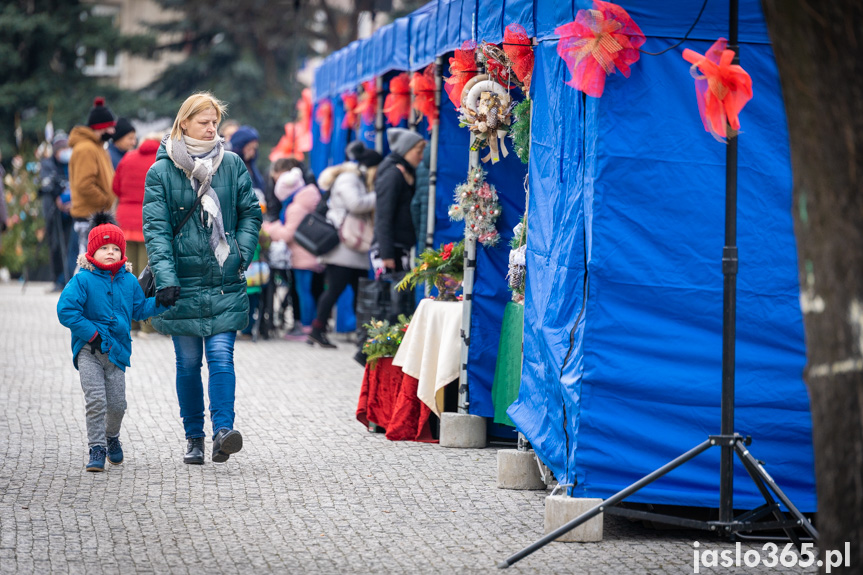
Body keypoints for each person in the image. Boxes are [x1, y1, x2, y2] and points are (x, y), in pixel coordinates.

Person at [142, 92, 262, 465]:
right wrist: (165, 278)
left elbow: (250, 215)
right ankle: (194, 436)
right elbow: (156, 230)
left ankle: (223, 432)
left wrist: (239, 254)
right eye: (204, 122)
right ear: (183, 124)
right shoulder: (161, 171)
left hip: (224, 278)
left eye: (215, 122)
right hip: (182, 282)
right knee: (188, 363)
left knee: (222, 357)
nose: (212, 129)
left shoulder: (232, 164)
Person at [57, 213, 169, 471]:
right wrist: (92, 335)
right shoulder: (82, 280)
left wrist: (160, 302)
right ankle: (96, 448)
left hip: (117, 354)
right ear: (92, 252)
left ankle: (112, 437)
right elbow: (66, 310)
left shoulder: (128, 281)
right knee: (96, 399)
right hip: (89, 351)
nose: (110, 252)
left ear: (123, 253)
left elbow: (138, 310)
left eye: (115, 248)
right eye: (104, 248)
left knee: (118, 405)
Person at [308, 141, 382, 349]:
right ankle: (317, 330)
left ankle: (363, 335)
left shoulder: (353, 177)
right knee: (335, 290)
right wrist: (380, 195)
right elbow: (356, 204)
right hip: (343, 247)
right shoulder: (349, 179)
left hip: (350, 248)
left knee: (356, 293)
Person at [262, 164, 325, 339]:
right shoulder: (308, 199)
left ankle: (306, 327)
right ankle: (309, 325)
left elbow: (288, 234)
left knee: (303, 291)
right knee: (309, 290)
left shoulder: (295, 207)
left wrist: (269, 228)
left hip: (302, 257)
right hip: (310, 254)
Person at [113, 132, 161, 332]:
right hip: (149, 217)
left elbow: (115, 187)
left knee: (126, 272)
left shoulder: (128, 157)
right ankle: (147, 325)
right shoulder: (160, 159)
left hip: (125, 218)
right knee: (148, 272)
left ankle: (128, 322)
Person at [69, 97, 117, 260]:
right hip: (89, 216)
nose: (113, 131)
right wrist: (104, 202)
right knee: (86, 262)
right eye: (110, 127)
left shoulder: (96, 147)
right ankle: (79, 287)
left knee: (92, 262)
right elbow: (84, 184)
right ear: (101, 127)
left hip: (95, 214)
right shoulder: (86, 149)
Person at [373, 128, 426, 273]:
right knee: (393, 294)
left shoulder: (404, 173)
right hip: (391, 248)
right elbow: (383, 215)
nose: (420, 157)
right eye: (418, 151)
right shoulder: (392, 174)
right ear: (406, 150)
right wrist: (387, 254)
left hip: (397, 245)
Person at [39, 131, 74, 290]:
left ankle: (67, 278)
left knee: (70, 245)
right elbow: (46, 185)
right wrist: (58, 198)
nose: (65, 152)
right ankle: (57, 279)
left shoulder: (72, 162)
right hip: (55, 210)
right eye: (61, 149)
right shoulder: (48, 164)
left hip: (73, 209)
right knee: (55, 246)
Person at [229, 126, 266, 198]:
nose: (252, 153)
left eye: (254, 149)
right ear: (239, 147)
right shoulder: (232, 167)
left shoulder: (252, 167)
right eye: (249, 148)